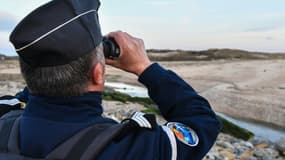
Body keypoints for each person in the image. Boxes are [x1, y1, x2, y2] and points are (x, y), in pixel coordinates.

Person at [7, 0, 221, 159]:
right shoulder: (127, 149)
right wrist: (144, 66)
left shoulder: (4, 116)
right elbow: (202, 122)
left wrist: (48, 60)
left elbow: (38, 85)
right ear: (98, 73)